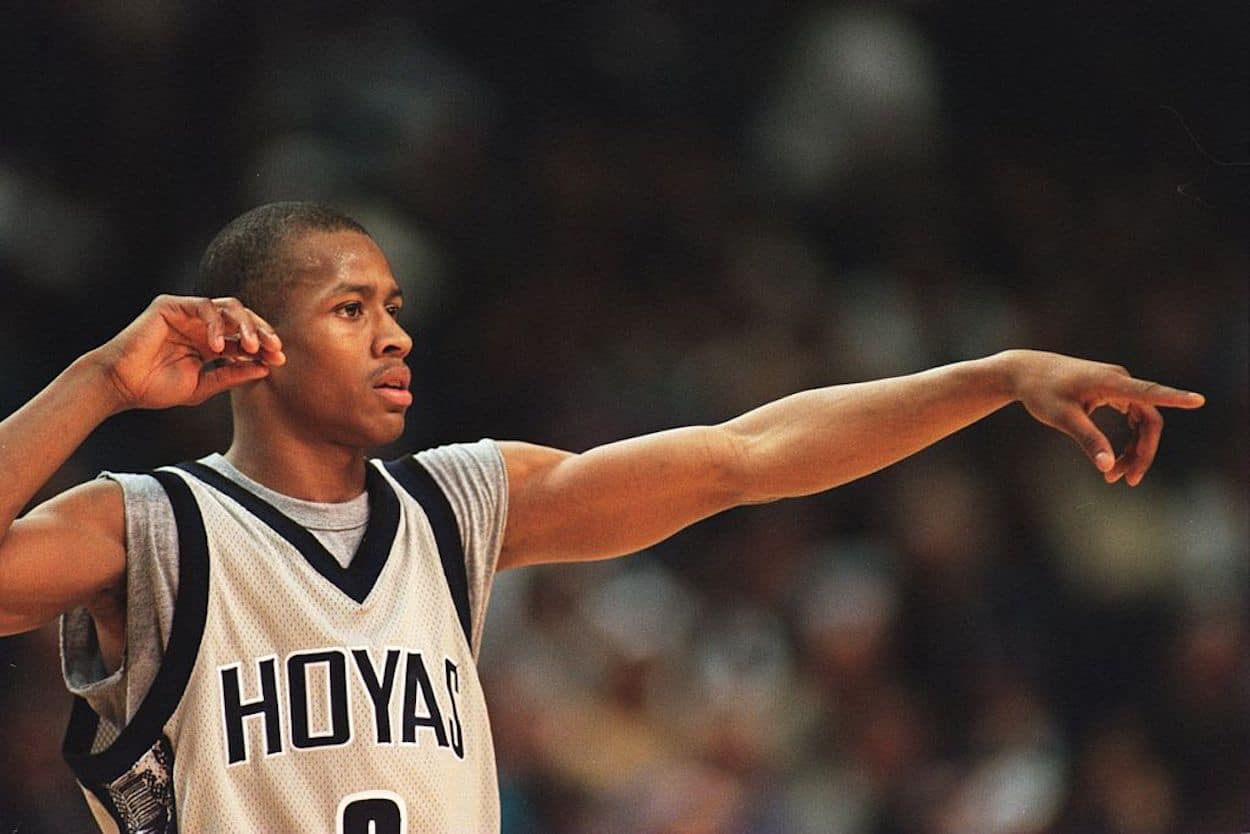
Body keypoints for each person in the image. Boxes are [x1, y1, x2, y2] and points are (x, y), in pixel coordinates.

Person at [0, 202, 1205, 833]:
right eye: (352, 308)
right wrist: (101, 382)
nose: (397, 334)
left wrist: (989, 378)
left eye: (397, 305)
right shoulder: (147, 526)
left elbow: (748, 455)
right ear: (256, 342)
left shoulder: (460, 501)